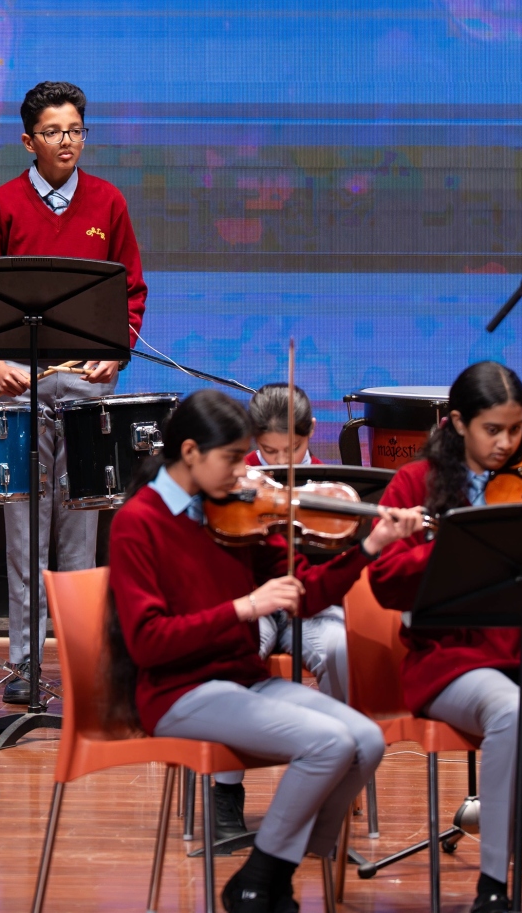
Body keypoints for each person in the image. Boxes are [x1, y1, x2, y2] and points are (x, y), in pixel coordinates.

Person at [108, 390, 427, 913]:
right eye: (234, 459)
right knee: (328, 743)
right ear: (190, 452)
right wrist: (243, 607)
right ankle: (261, 880)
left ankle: (270, 876)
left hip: (243, 681)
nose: (246, 473)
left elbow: (308, 596)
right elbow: (147, 641)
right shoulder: (139, 521)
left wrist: (369, 547)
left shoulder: (237, 514)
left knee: (367, 740)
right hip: (177, 691)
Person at [368, 362, 522, 913]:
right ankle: (493, 888)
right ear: (458, 423)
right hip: (450, 659)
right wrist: (453, 549)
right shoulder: (416, 483)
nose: (505, 444)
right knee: (512, 712)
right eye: (491, 430)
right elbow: (384, 580)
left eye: (515, 429)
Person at [0, 80, 148, 705]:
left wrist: (115, 351)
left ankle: (79, 664)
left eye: (75, 130)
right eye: (53, 132)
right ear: (28, 141)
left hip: (86, 390)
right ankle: (24, 666)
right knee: (24, 537)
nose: (66, 141)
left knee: (79, 538)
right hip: (21, 389)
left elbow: (131, 292)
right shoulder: (1, 206)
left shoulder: (108, 202)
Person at [210, 383, 351, 843]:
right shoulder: (237, 480)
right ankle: (226, 790)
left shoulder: (332, 485)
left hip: (314, 606)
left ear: (311, 432)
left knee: (340, 648)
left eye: (291, 450)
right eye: (268, 451)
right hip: (258, 604)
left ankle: (331, 784)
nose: (279, 461)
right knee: (233, 654)